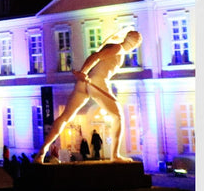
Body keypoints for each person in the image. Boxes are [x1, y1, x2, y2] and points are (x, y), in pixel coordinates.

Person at [37, 31, 142, 162]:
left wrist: (83, 74)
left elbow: (95, 58)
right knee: (118, 116)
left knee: (65, 117)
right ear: (133, 44)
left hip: (83, 84)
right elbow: (95, 57)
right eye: (136, 44)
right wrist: (83, 72)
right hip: (97, 81)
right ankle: (115, 156)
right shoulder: (118, 48)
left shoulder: (113, 47)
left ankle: (41, 152)